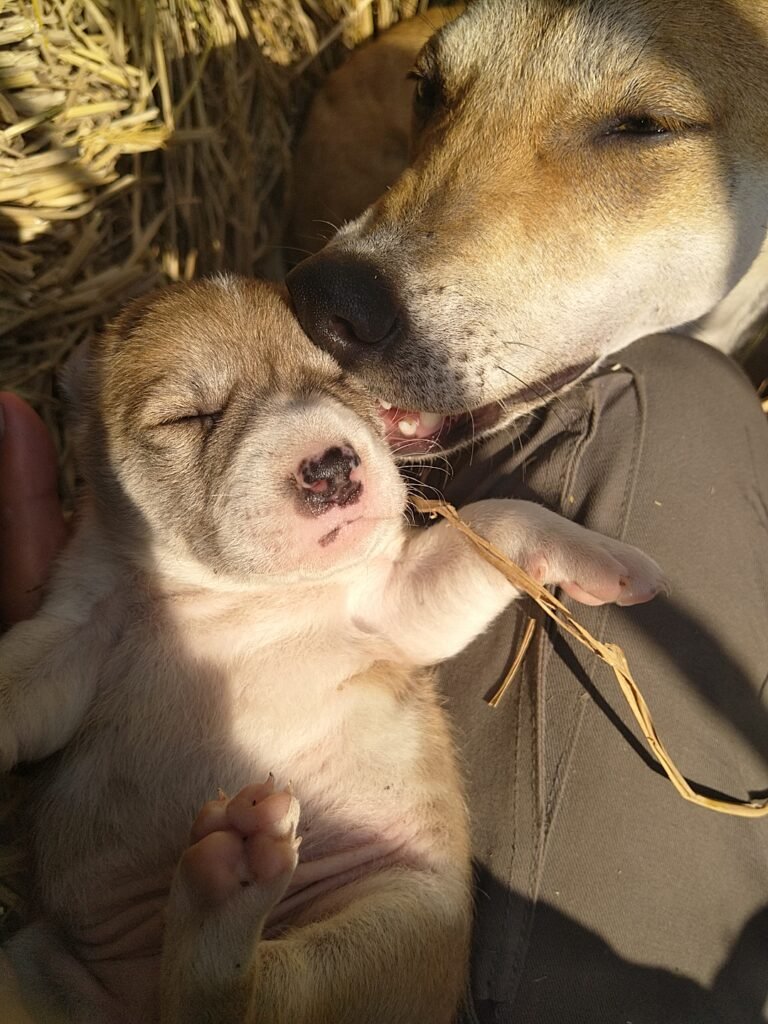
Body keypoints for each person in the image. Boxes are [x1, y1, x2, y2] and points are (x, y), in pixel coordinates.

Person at [1, 330, 768, 1024]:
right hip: (85, 972)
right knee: (675, 387)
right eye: (187, 420)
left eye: (340, 391)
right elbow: (38, 681)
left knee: (415, 914)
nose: (324, 452)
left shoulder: (360, 570)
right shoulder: (108, 583)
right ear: (89, 436)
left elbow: (411, 598)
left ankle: (228, 988)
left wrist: (525, 538)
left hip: (349, 898)